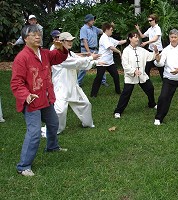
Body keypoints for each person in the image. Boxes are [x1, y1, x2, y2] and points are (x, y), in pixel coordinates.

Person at [10, 25, 68, 176]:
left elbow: (59, 57)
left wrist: (61, 48)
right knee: (34, 132)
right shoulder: (22, 58)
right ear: (25, 39)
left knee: (54, 123)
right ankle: (23, 166)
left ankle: (52, 147)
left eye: (39, 34)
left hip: (46, 98)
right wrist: (26, 95)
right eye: (34, 34)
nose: (38, 37)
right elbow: (16, 83)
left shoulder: (44, 53)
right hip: (32, 102)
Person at [50, 32, 102, 134]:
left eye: (71, 40)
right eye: (68, 40)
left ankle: (87, 124)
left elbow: (78, 60)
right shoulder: (56, 53)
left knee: (86, 104)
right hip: (61, 87)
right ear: (61, 42)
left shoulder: (68, 52)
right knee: (60, 111)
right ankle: (54, 130)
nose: (70, 42)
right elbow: (73, 63)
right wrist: (91, 58)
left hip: (72, 85)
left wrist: (95, 62)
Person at [114, 32, 159, 118]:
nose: (137, 39)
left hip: (142, 75)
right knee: (126, 93)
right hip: (130, 77)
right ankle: (118, 111)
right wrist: (133, 71)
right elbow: (125, 65)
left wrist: (156, 51)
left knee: (150, 88)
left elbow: (151, 56)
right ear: (130, 38)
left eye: (138, 37)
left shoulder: (141, 50)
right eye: (135, 37)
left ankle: (152, 104)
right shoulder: (126, 51)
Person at [90, 22, 126, 97]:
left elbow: (119, 42)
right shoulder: (103, 38)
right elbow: (111, 47)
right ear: (107, 30)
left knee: (116, 76)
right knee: (99, 77)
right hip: (102, 62)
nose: (112, 31)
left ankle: (118, 91)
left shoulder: (109, 38)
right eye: (111, 29)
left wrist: (128, 39)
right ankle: (93, 94)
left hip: (110, 62)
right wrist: (119, 51)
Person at [77, 14, 107, 87]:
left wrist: (108, 27)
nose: (93, 21)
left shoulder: (94, 28)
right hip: (86, 50)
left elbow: (102, 31)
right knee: (84, 66)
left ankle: (103, 81)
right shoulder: (83, 29)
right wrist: (89, 52)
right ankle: (78, 83)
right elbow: (85, 41)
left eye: (93, 19)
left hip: (95, 50)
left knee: (101, 64)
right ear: (88, 21)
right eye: (92, 20)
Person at [135, 13, 164, 79]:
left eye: (150, 20)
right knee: (147, 66)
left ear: (154, 20)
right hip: (150, 50)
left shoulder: (158, 28)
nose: (149, 22)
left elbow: (155, 39)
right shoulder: (150, 29)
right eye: (148, 21)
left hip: (158, 50)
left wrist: (146, 43)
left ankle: (164, 80)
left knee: (160, 67)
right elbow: (142, 36)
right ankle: (146, 79)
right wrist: (138, 29)